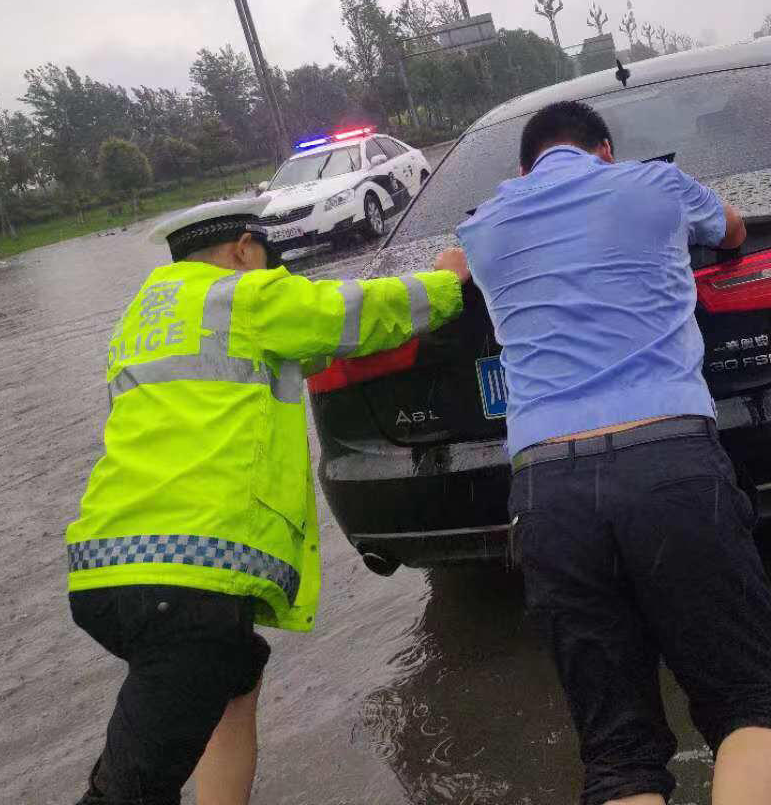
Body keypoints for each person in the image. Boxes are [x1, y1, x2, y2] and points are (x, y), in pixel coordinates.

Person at [64, 197, 469, 805]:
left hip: (107, 569)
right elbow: (350, 311)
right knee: (130, 789)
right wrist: (447, 279)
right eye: (265, 255)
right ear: (242, 249)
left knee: (236, 679)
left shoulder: (143, 319)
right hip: (188, 583)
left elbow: (298, 349)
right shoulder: (244, 297)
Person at [457, 100, 771, 805]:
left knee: (618, 755)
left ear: (524, 170)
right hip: (670, 461)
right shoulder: (652, 185)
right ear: (603, 151)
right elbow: (731, 230)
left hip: (546, 489)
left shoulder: (485, 222)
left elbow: (447, 269)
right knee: (748, 708)